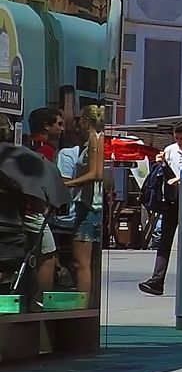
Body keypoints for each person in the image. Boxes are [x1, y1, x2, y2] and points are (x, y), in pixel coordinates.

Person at [137, 124, 182, 296]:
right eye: (176, 138)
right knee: (164, 241)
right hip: (171, 200)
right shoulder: (170, 150)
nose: (179, 142)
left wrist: (180, 178)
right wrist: (161, 162)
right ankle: (157, 280)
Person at [54, 118, 104, 295]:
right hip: (93, 205)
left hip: (88, 206)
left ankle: (83, 305)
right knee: (90, 263)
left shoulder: (95, 139)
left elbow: (96, 173)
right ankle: (90, 301)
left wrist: (69, 184)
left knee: (82, 263)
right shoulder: (96, 141)